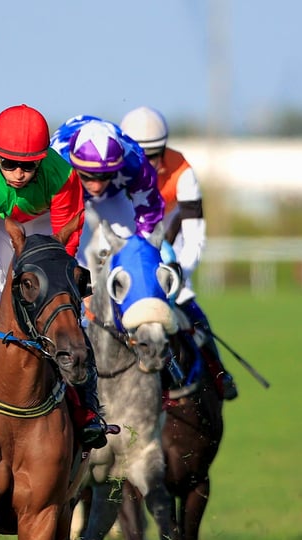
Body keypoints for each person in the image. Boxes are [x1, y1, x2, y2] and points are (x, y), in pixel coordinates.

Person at [0, 103, 108, 448]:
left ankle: (88, 411)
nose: (18, 174)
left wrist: (68, 296)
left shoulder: (62, 176)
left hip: (47, 228)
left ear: (42, 160)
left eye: (28, 165)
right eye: (8, 164)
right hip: (1, 225)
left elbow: (66, 249)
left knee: (68, 319)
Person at [120, 106, 238, 400]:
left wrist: (180, 272)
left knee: (189, 307)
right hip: (127, 256)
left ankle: (220, 374)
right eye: (142, 157)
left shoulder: (182, 171)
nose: (151, 164)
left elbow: (195, 232)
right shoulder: (113, 171)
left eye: (156, 155)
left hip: (170, 254)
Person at [50, 114, 164, 252]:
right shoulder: (55, 165)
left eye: (106, 175)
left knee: (133, 245)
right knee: (66, 251)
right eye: (88, 176)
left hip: (111, 194)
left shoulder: (137, 163)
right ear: (74, 166)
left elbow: (149, 211)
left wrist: (142, 247)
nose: (97, 186)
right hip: (63, 195)